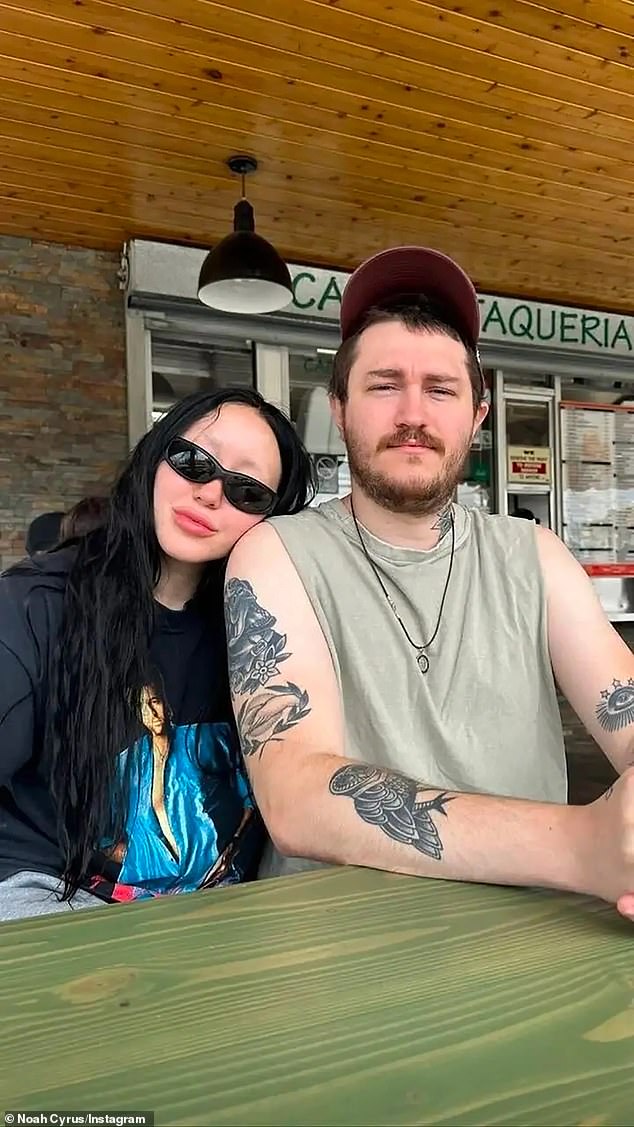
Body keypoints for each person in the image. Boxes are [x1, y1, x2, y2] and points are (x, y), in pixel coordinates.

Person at [225, 245, 634, 922]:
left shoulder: (535, 556)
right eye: (384, 385)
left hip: (532, 934)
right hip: (336, 945)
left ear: (477, 416)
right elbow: (295, 793)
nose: (412, 413)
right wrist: (584, 845)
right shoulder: (276, 554)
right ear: (342, 408)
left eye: (440, 389)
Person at [0, 387, 313, 920]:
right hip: (57, 898)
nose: (212, 494)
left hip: (225, 912)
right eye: (194, 462)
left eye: (248, 490)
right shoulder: (35, 604)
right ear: (154, 455)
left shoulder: (270, 631)